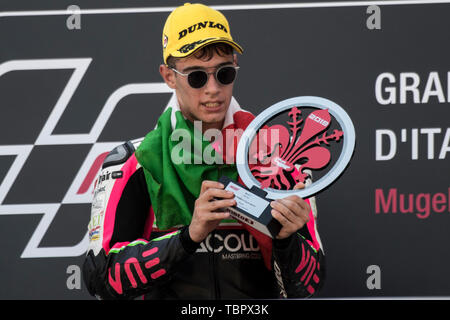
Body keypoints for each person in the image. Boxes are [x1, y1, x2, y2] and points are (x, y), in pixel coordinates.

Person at [82, 2, 325, 300]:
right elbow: (101, 280)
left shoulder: (280, 161)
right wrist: (189, 236)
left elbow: (308, 288)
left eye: (224, 74)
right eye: (197, 76)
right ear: (169, 76)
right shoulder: (135, 162)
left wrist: (288, 240)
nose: (213, 88)